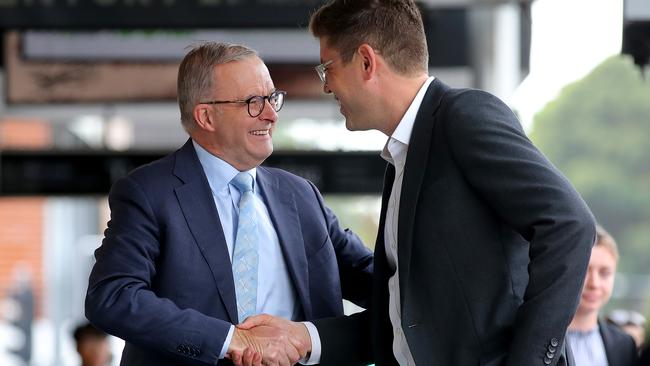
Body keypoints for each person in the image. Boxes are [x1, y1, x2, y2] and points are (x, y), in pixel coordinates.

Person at [237, 1, 596, 365]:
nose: (326, 85)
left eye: (327, 68)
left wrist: (532, 360)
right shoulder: (403, 158)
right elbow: (408, 320)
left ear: (366, 62)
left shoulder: (463, 117)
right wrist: (304, 337)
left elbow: (569, 225)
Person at [84, 42, 373, 366]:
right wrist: (231, 339)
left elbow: (378, 281)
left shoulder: (301, 196)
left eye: (272, 98)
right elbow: (113, 296)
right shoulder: (149, 193)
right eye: (253, 102)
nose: (271, 113)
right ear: (206, 116)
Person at [567, 225, 638, 366]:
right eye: (585, 271)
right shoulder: (541, 337)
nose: (594, 283)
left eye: (605, 273)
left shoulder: (624, 345)